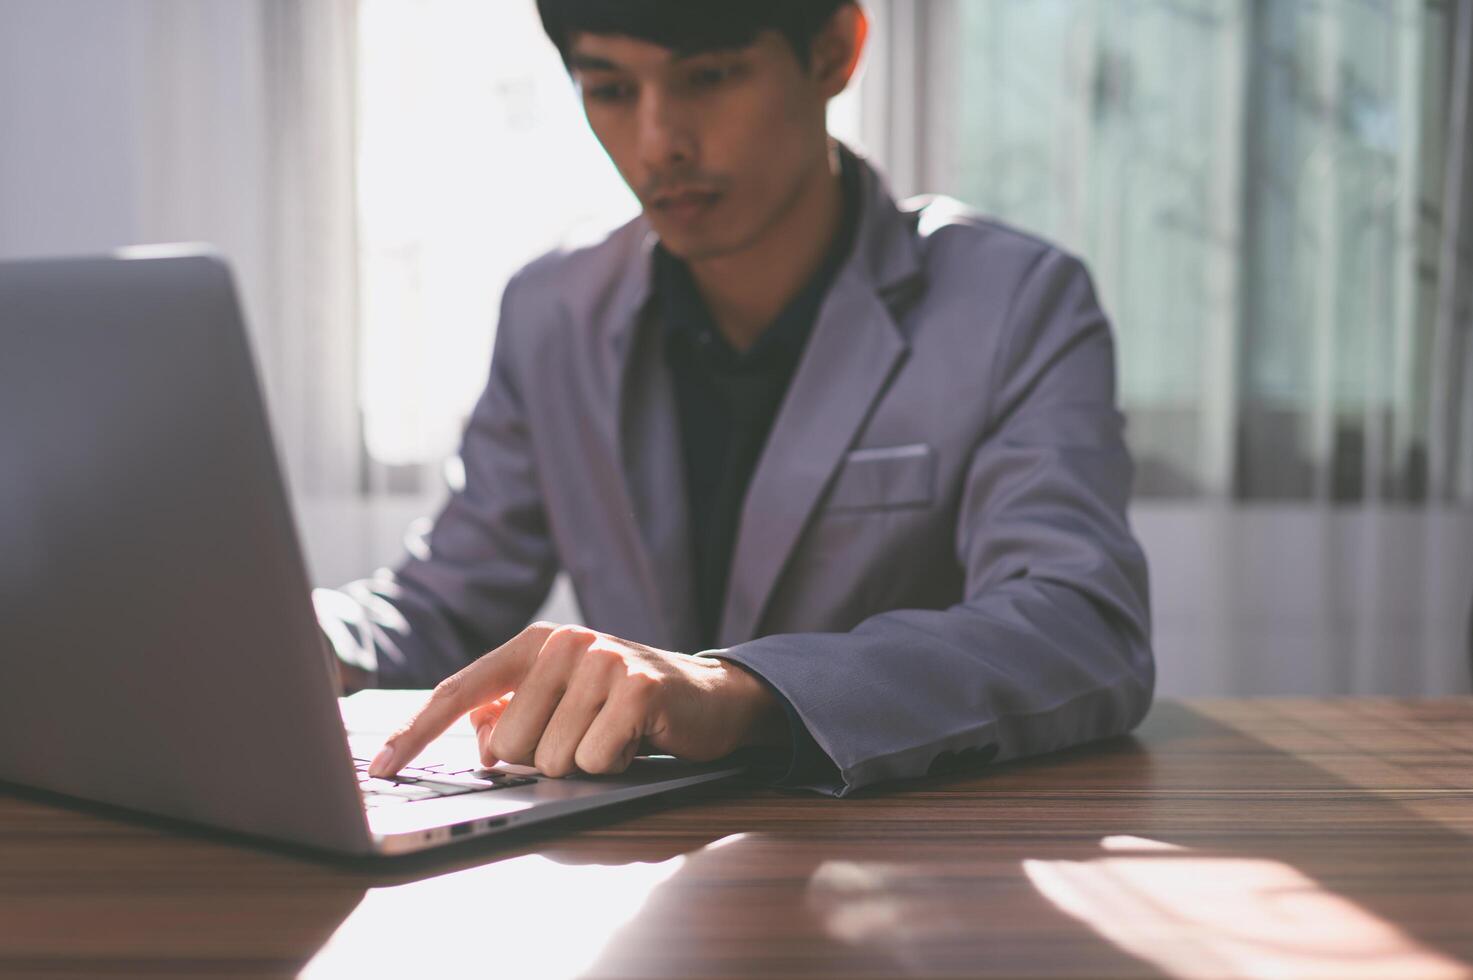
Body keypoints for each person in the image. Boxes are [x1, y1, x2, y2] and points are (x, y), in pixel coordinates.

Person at [315, 0, 1154, 796]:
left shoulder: (1016, 300)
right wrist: (308, 641)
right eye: (609, 89)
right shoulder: (552, 312)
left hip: (902, 864)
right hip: (630, 866)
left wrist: (740, 690)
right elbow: (442, 603)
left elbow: (1080, 629)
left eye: (708, 77)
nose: (658, 142)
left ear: (833, 52)